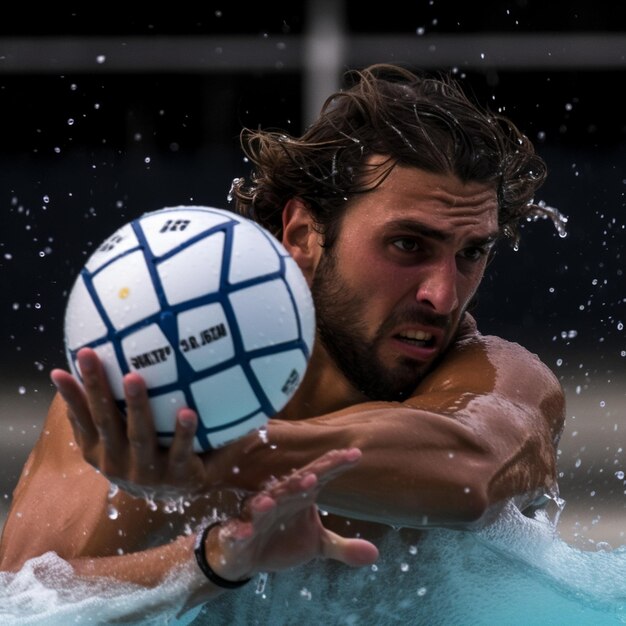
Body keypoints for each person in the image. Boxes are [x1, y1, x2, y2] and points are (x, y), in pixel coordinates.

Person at [0, 64, 565, 621]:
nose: (444, 296)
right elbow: (27, 602)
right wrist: (213, 559)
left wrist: (226, 459)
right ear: (302, 235)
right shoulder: (157, 389)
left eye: (471, 253)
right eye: (407, 245)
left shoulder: (499, 376)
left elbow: (469, 476)